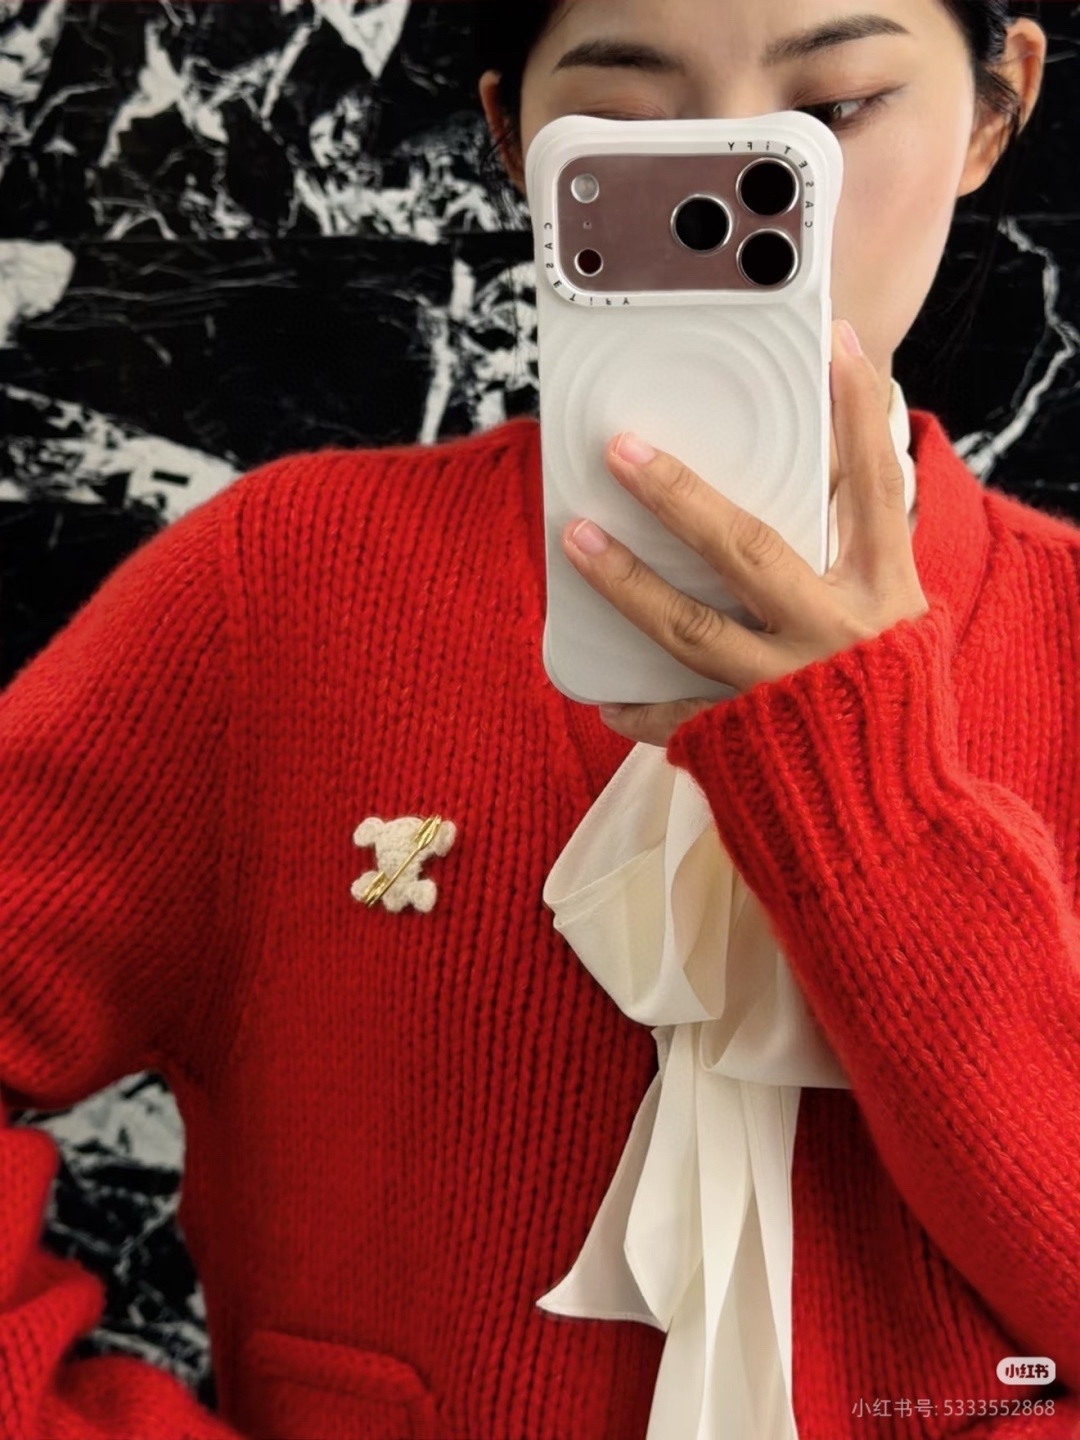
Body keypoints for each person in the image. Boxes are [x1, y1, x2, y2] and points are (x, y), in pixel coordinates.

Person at [0, 1, 1075, 1437]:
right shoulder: (284, 589)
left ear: (995, 110)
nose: (728, 193)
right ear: (514, 142)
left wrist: (874, 807)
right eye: (624, 131)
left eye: (829, 117)